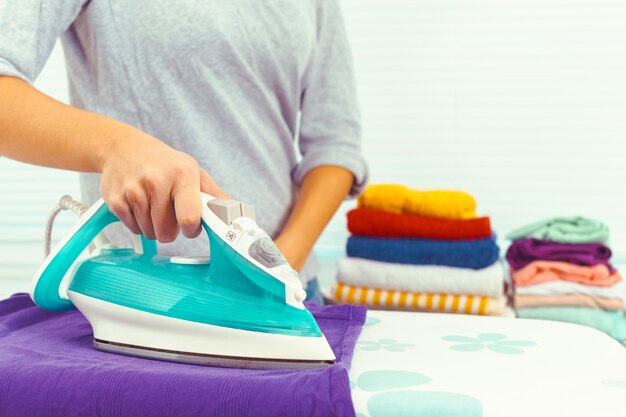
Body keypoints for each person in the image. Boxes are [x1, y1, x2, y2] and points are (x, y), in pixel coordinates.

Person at [0, 1, 367, 304]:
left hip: (289, 290)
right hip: (148, 301)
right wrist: (116, 146)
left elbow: (335, 143)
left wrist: (281, 263)